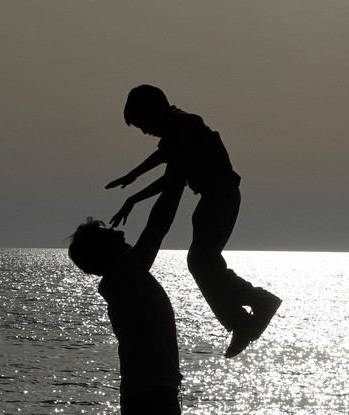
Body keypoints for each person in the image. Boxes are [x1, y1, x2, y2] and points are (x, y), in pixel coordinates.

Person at [105, 84, 281, 358]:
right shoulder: (179, 133)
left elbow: (167, 165)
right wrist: (133, 191)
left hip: (220, 195)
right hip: (212, 198)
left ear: (155, 109)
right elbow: (171, 173)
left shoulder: (186, 124)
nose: (145, 132)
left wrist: (134, 178)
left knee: (201, 262)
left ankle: (252, 309)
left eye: (143, 124)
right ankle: (244, 315)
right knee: (203, 263)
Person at [68, 181, 185, 414]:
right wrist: (177, 180)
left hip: (150, 393)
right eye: (110, 236)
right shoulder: (124, 275)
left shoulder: (122, 279)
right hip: (151, 397)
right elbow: (157, 226)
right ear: (101, 252)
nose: (121, 233)